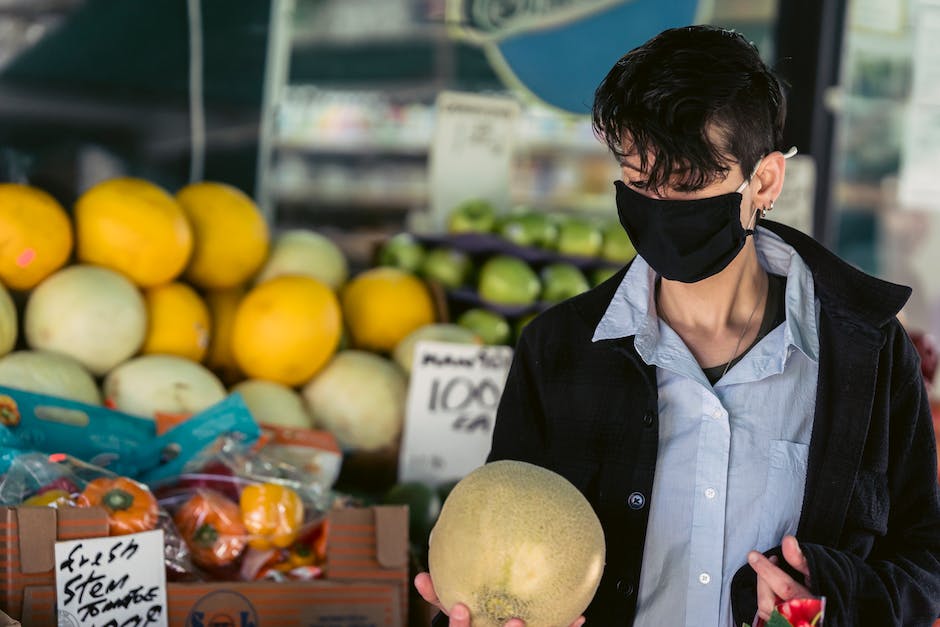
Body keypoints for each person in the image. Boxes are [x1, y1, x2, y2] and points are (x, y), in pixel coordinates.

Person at [416, 25, 940, 626]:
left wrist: (836, 598)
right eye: (640, 182)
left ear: (763, 182)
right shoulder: (559, 350)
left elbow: (924, 561)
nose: (660, 206)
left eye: (689, 184)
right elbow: (498, 535)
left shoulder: (865, 355)